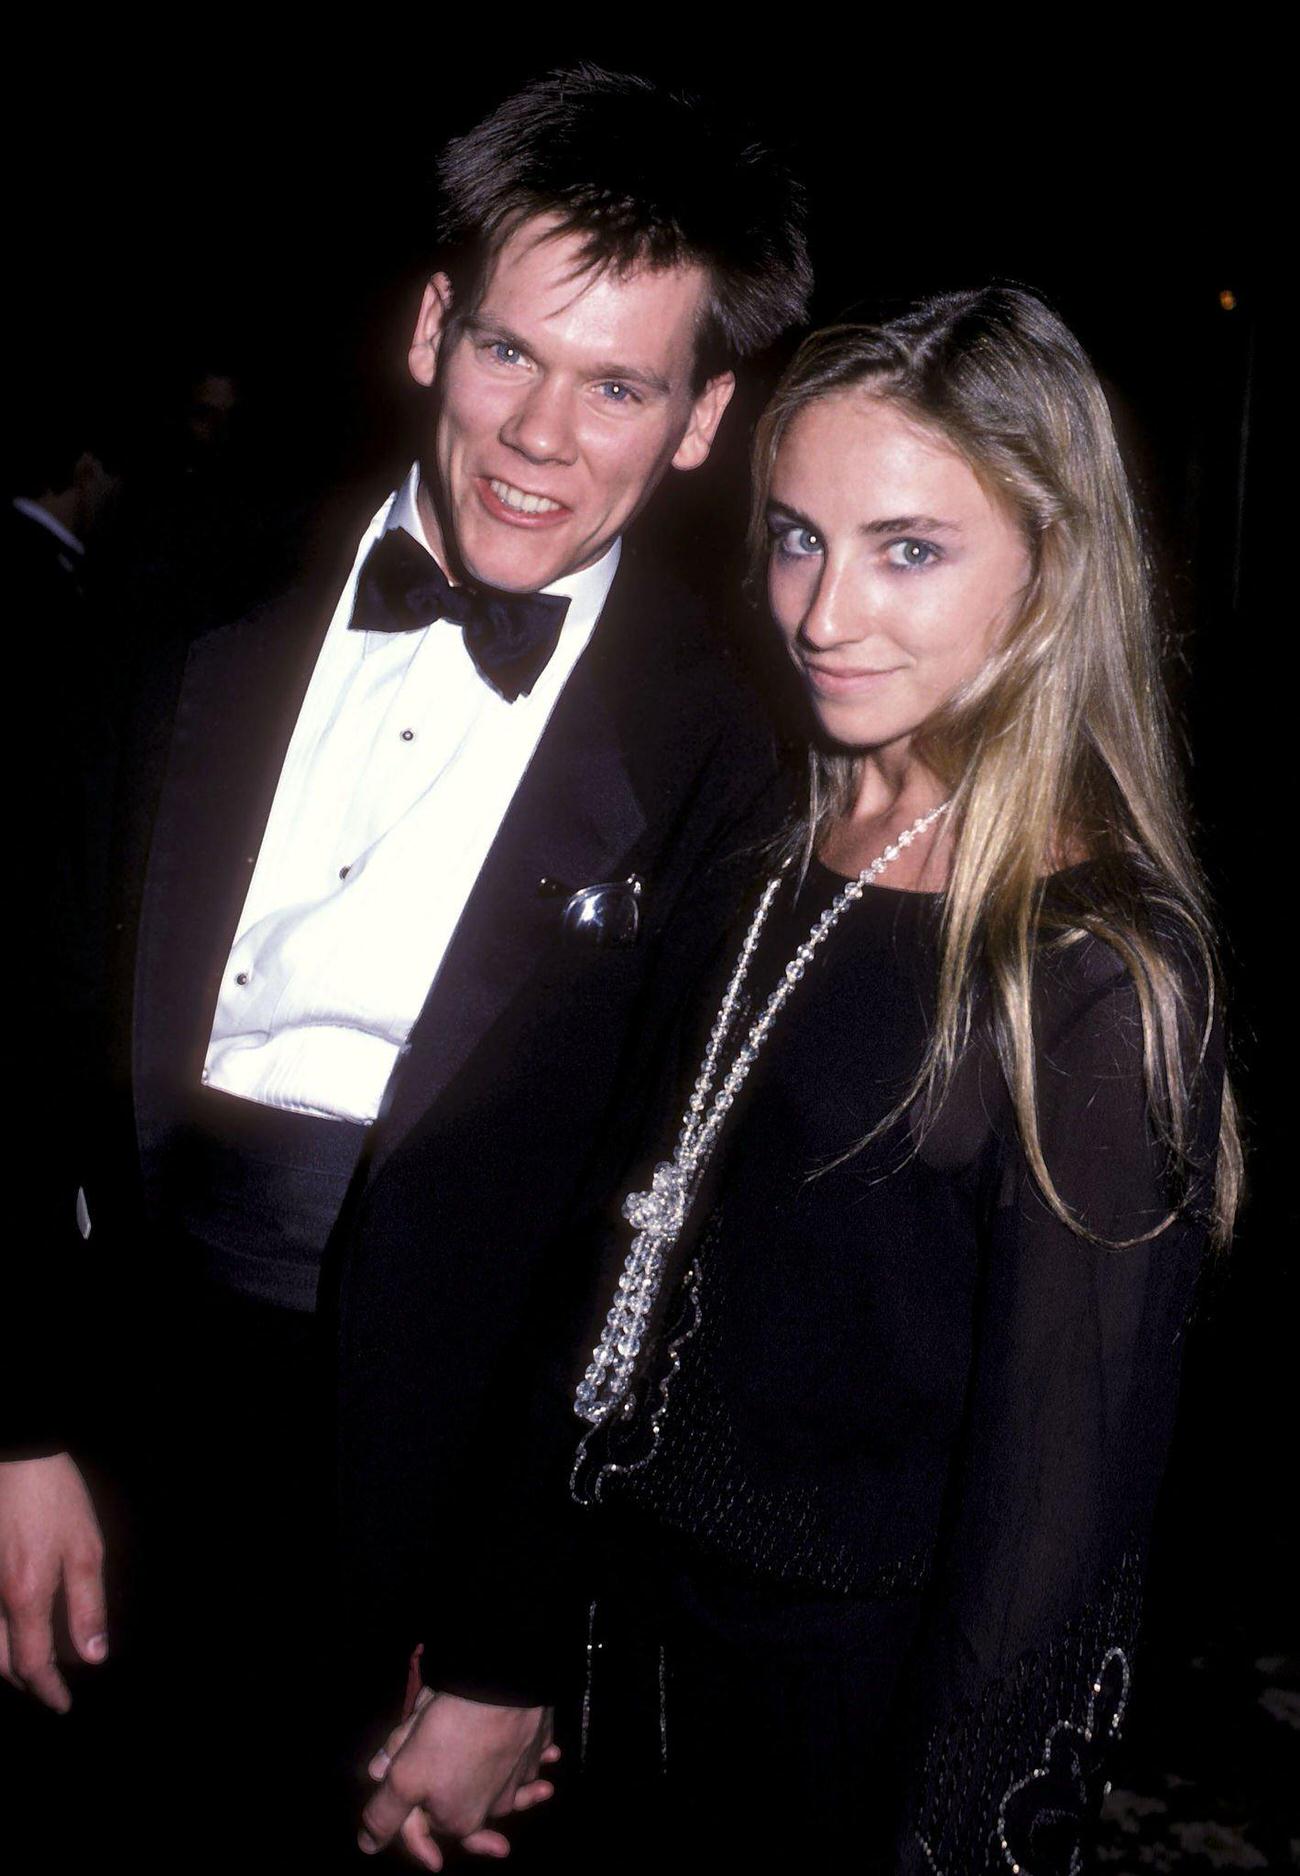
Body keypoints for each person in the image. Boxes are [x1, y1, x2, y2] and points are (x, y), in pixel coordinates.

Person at [0, 66, 810, 1871]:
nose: (543, 433)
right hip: (112, 1414)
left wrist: (518, 1646)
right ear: (434, 328)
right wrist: (17, 1418)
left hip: (446, 1502)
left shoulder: (731, 751)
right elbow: (21, 1014)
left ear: (699, 422)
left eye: (622, 386)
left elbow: (660, 1244)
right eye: (513, 353)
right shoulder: (183, 587)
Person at [385, 287, 1239, 1872]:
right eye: (796, 538)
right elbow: (607, 1269)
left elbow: (1048, 1581)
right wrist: (506, 1652)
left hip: (837, 1752)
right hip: (612, 1680)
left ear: (1050, 569)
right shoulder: (767, 847)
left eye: (909, 549)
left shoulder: (1090, 978)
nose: (824, 612)